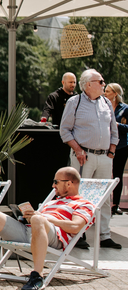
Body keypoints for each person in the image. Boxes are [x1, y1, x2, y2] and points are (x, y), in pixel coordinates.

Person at [0, 167, 94, 290]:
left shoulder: (83, 204)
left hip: (54, 236)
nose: (53, 185)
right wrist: (25, 217)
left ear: (68, 183)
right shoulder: (53, 202)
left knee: (37, 219)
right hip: (30, 230)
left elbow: (75, 227)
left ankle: (37, 276)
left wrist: (43, 218)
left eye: (56, 182)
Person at [60, 69, 121, 249]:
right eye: (100, 81)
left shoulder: (106, 103)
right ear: (88, 84)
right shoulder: (75, 102)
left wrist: (112, 151)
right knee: (79, 195)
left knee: (104, 197)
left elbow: (113, 129)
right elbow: (65, 130)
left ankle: (104, 235)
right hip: (83, 157)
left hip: (104, 156)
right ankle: (78, 234)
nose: (104, 85)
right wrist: (78, 150)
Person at [105, 83, 128, 215]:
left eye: (108, 91)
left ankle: (116, 204)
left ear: (115, 93)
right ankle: (105, 203)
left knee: (117, 174)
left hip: (122, 145)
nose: (105, 93)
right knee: (106, 174)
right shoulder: (104, 107)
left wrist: (117, 125)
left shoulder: (124, 108)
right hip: (105, 145)